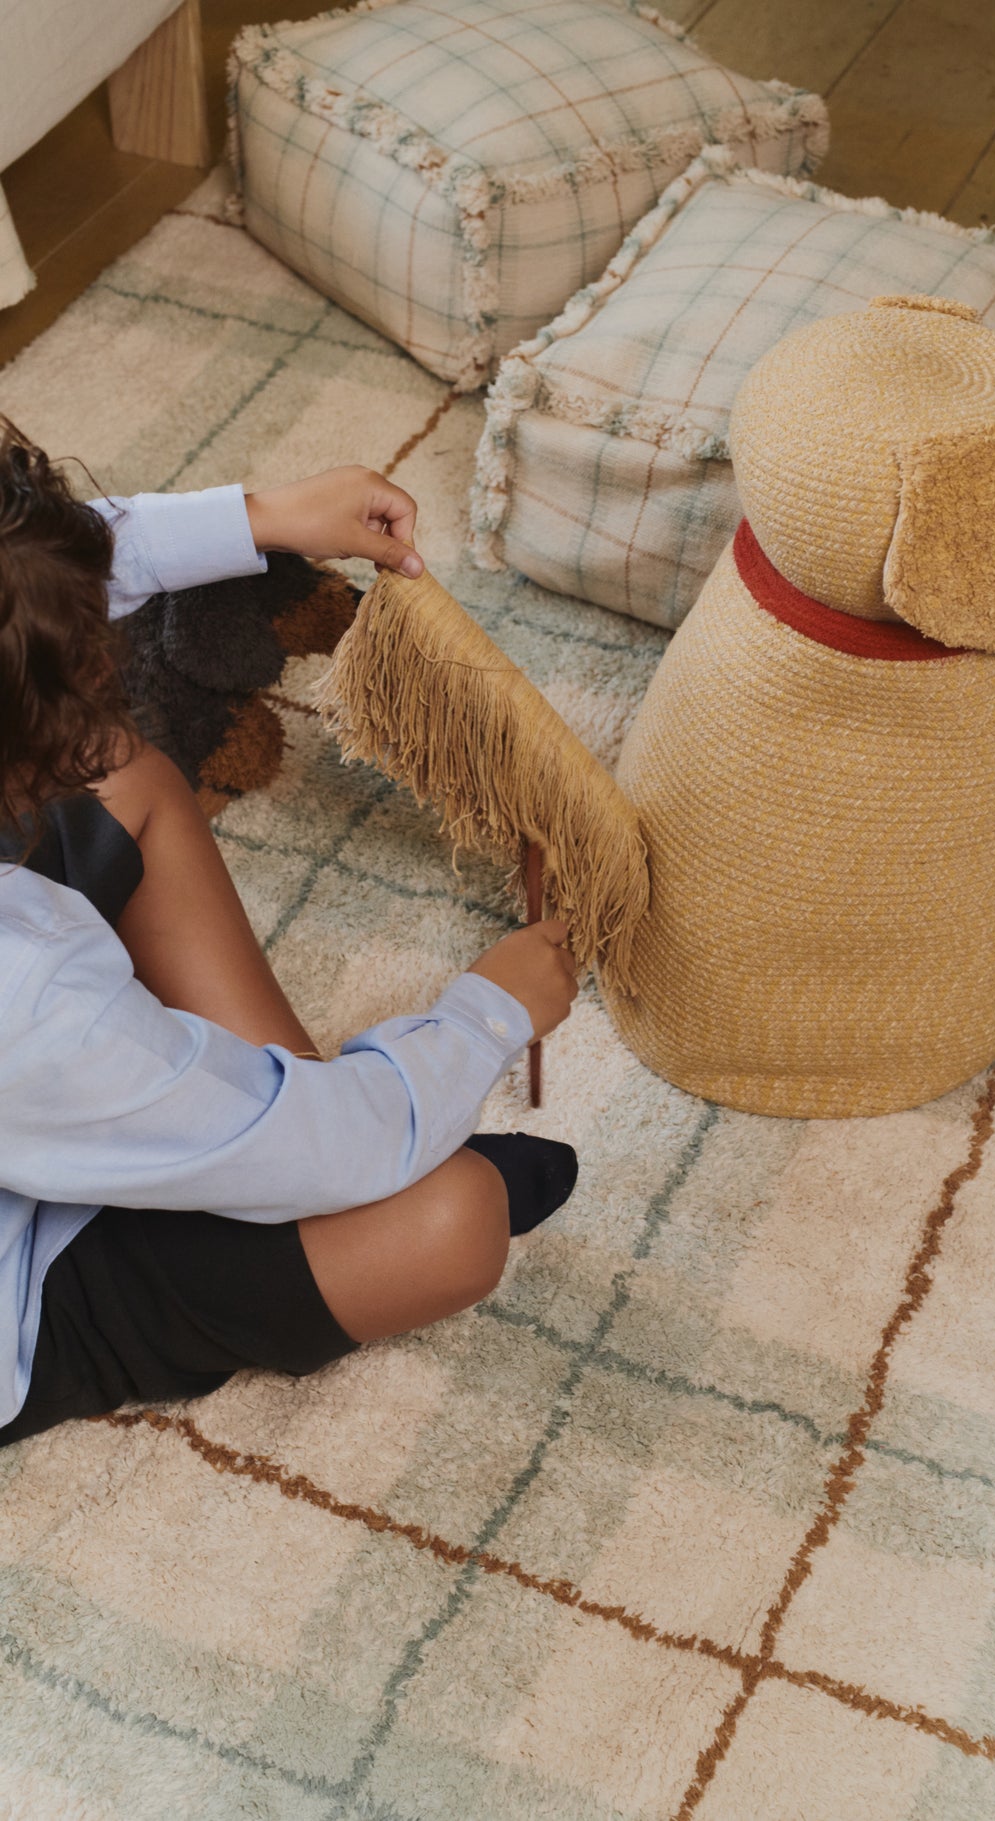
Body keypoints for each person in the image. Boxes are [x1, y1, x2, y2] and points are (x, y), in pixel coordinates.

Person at [0, 419, 579, 1448]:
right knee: (449, 1223)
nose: (105, 683)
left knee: (125, 772)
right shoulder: (25, 1003)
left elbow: (26, 587)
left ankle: (276, 1140)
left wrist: (258, 519)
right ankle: (280, 1155)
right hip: (27, 1294)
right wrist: (485, 1016)